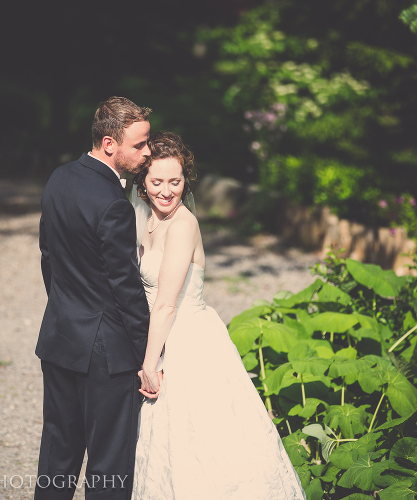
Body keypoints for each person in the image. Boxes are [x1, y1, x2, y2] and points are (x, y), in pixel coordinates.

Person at [131, 132, 307, 499]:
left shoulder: (182, 225)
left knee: (204, 443)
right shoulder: (145, 219)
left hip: (188, 340)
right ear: (143, 183)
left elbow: (165, 303)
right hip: (160, 336)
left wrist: (148, 364)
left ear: (186, 180)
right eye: (157, 181)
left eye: (175, 182)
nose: (166, 191)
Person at [35, 96, 153, 499]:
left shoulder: (59, 178)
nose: (147, 152)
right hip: (107, 355)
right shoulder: (114, 205)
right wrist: (147, 352)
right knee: (108, 467)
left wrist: (68, 309)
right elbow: (126, 287)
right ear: (109, 144)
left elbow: (47, 256)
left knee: (57, 456)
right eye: (139, 145)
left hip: (60, 338)